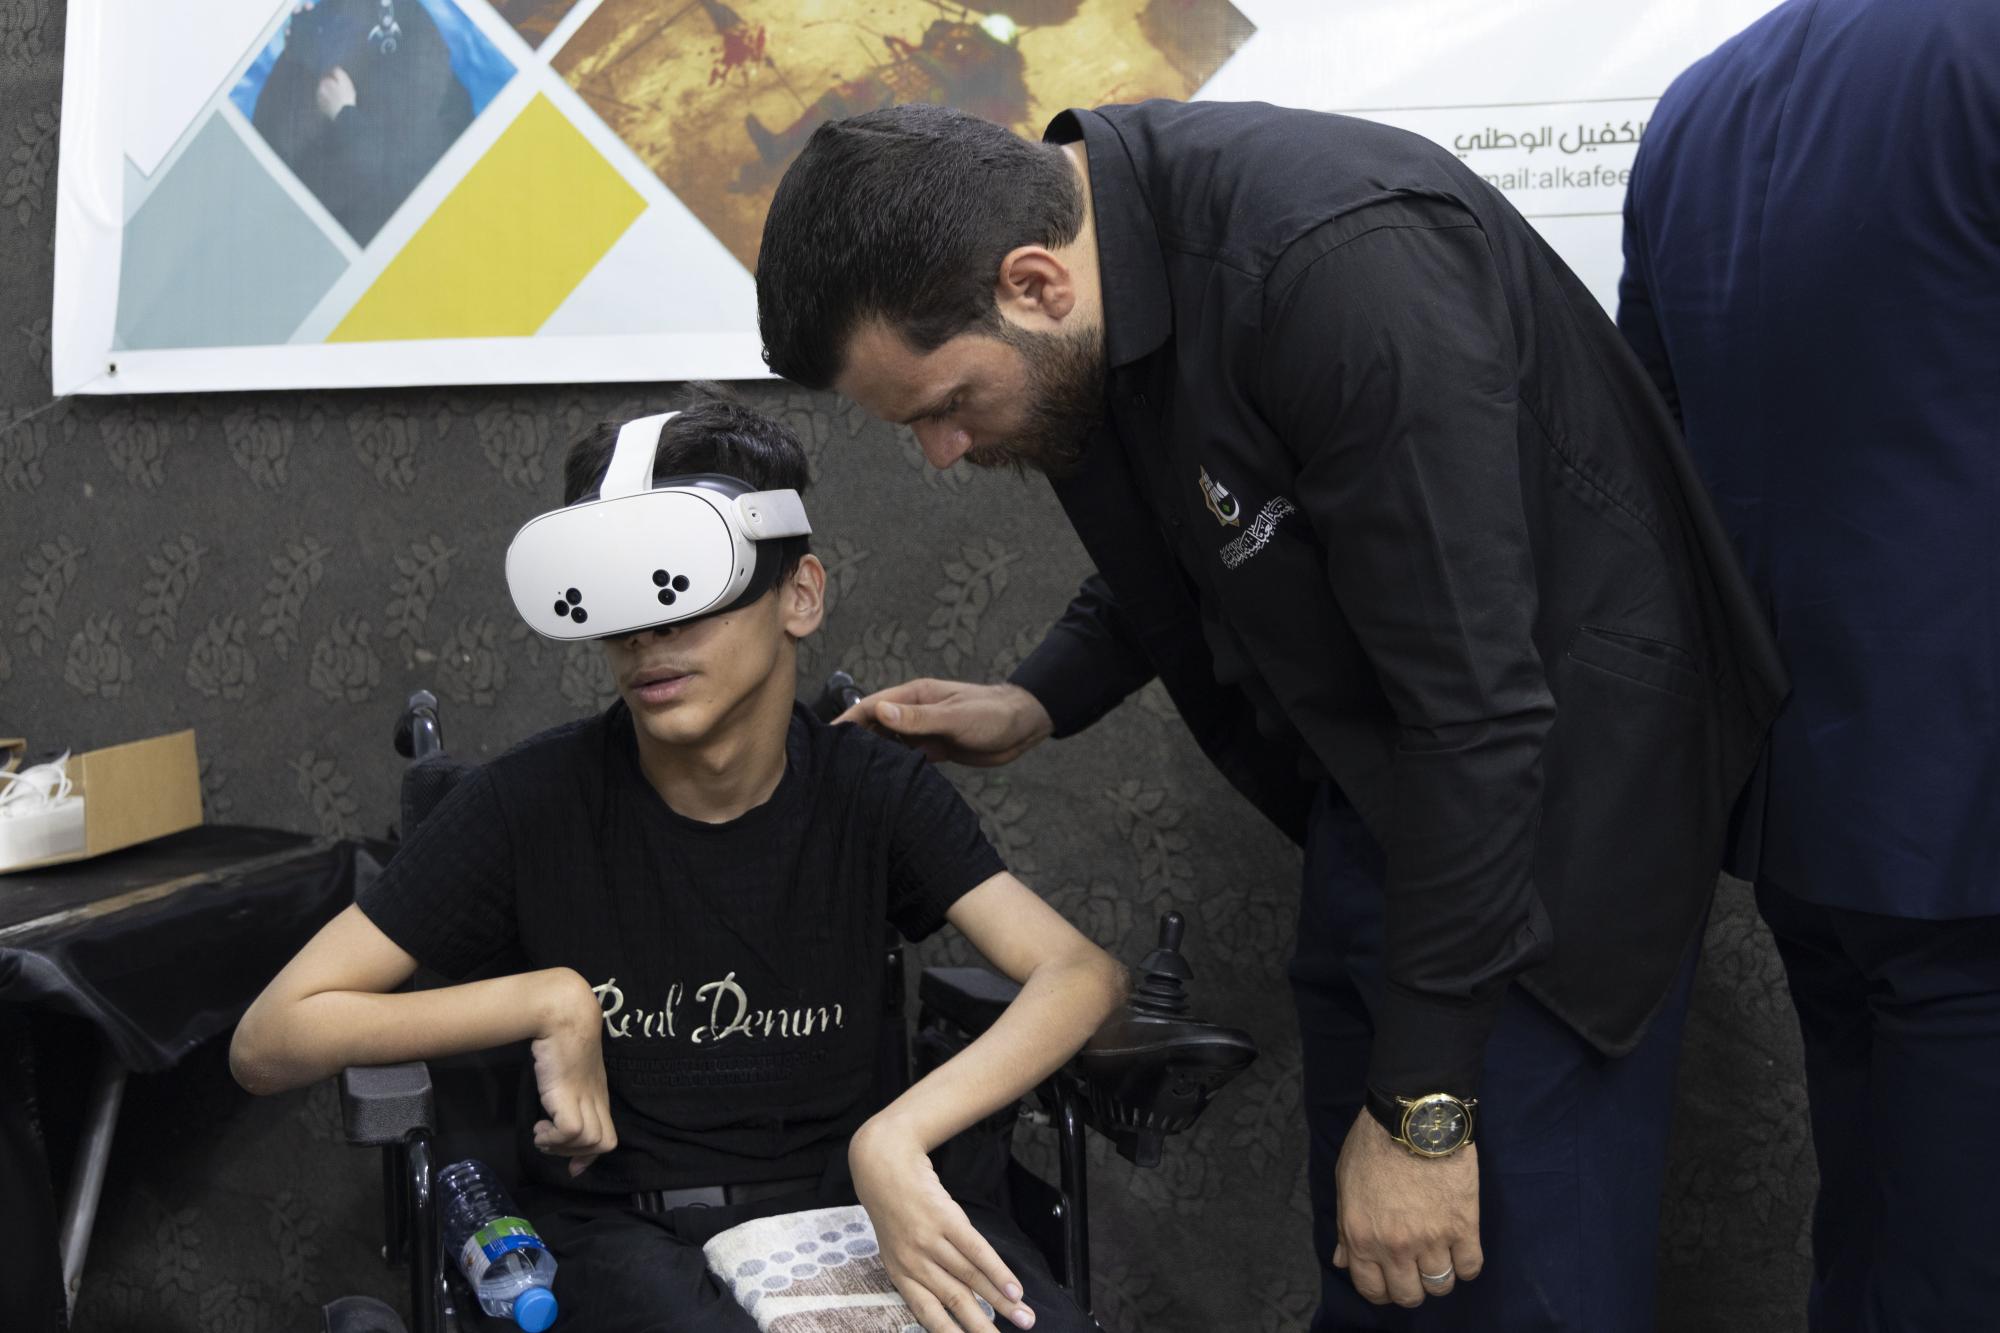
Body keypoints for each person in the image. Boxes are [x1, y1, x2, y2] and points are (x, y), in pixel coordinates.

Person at [754, 101, 1787, 1329]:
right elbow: (1211, 519)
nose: (939, 449)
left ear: (1032, 284)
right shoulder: (1109, 270)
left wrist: (1422, 1114)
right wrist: (1037, 697)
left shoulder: (1339, 267)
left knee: (1506, 1284)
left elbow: (1477, 711)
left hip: (1542, 835)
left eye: (945, 403)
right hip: (1382, 807)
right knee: (1380, 1282)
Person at [229, 387, 1124, 1333]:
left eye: (682, 588)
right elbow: (267, 1038)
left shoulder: (871, 790)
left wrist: (897, 1136)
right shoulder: (528, 803)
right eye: (618, 601)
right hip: (622, 1236)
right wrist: (547, 1000)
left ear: (799, 595)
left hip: (854, 1210)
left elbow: (1081, 973)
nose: (646, 637)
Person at [1618, 2, 2000, 1327]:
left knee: (1877, 1233)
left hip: (1803, 790)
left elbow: (1650, 438)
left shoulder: (1695, 105)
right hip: (1967, 800)